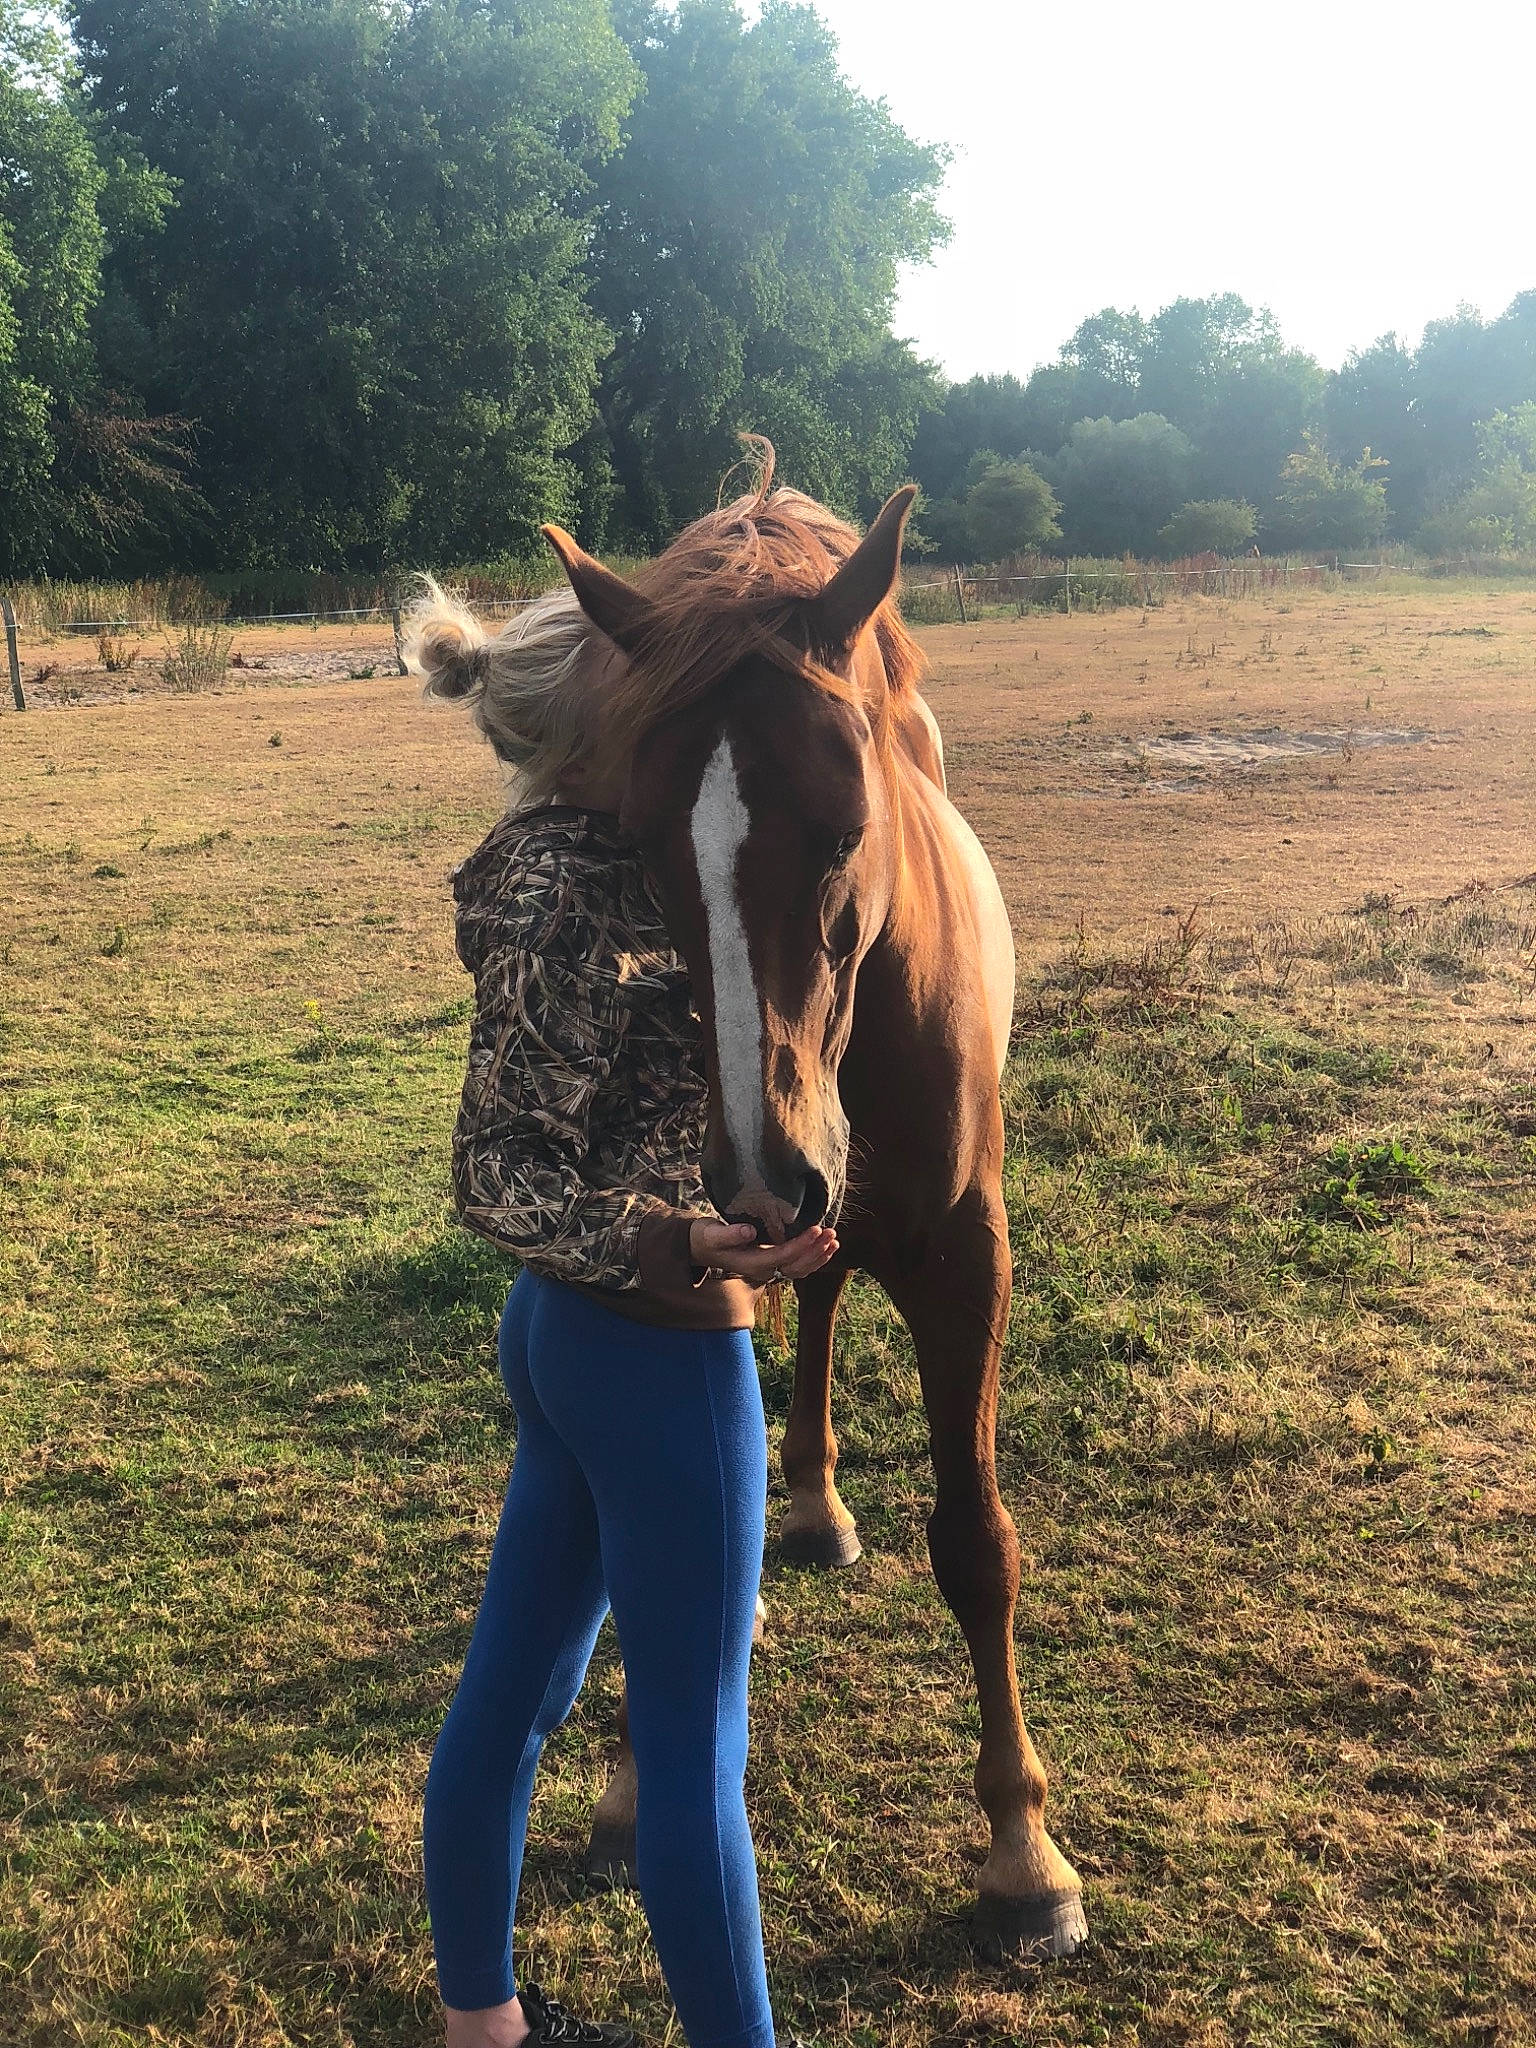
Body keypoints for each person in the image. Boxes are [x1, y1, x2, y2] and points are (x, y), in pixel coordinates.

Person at [408, 580, 836, 2048]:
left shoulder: (588, 850)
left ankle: (484, 2025)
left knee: (515, 1703)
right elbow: (495, 1166)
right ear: (598, 713)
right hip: (649, 1348)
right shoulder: (571, 887)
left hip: (577, 1339)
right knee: (694, 1757)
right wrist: (665, 1247)